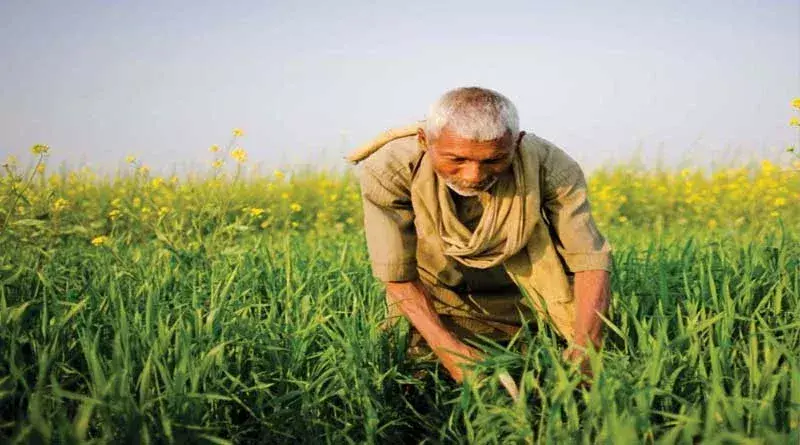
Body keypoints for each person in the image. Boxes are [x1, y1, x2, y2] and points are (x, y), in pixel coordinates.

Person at [348, 87, 612, 383]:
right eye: (456, 159)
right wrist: (450, 351)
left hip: (528, 299)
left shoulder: (549, 165)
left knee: (565, 363)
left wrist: (586, 347)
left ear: (517, 143)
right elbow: (396, 272)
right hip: (437, 298)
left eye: (493, 160)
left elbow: (589, 259)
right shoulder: (390, 170)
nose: (473, 175)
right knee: (410, 369)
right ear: (425, 141)